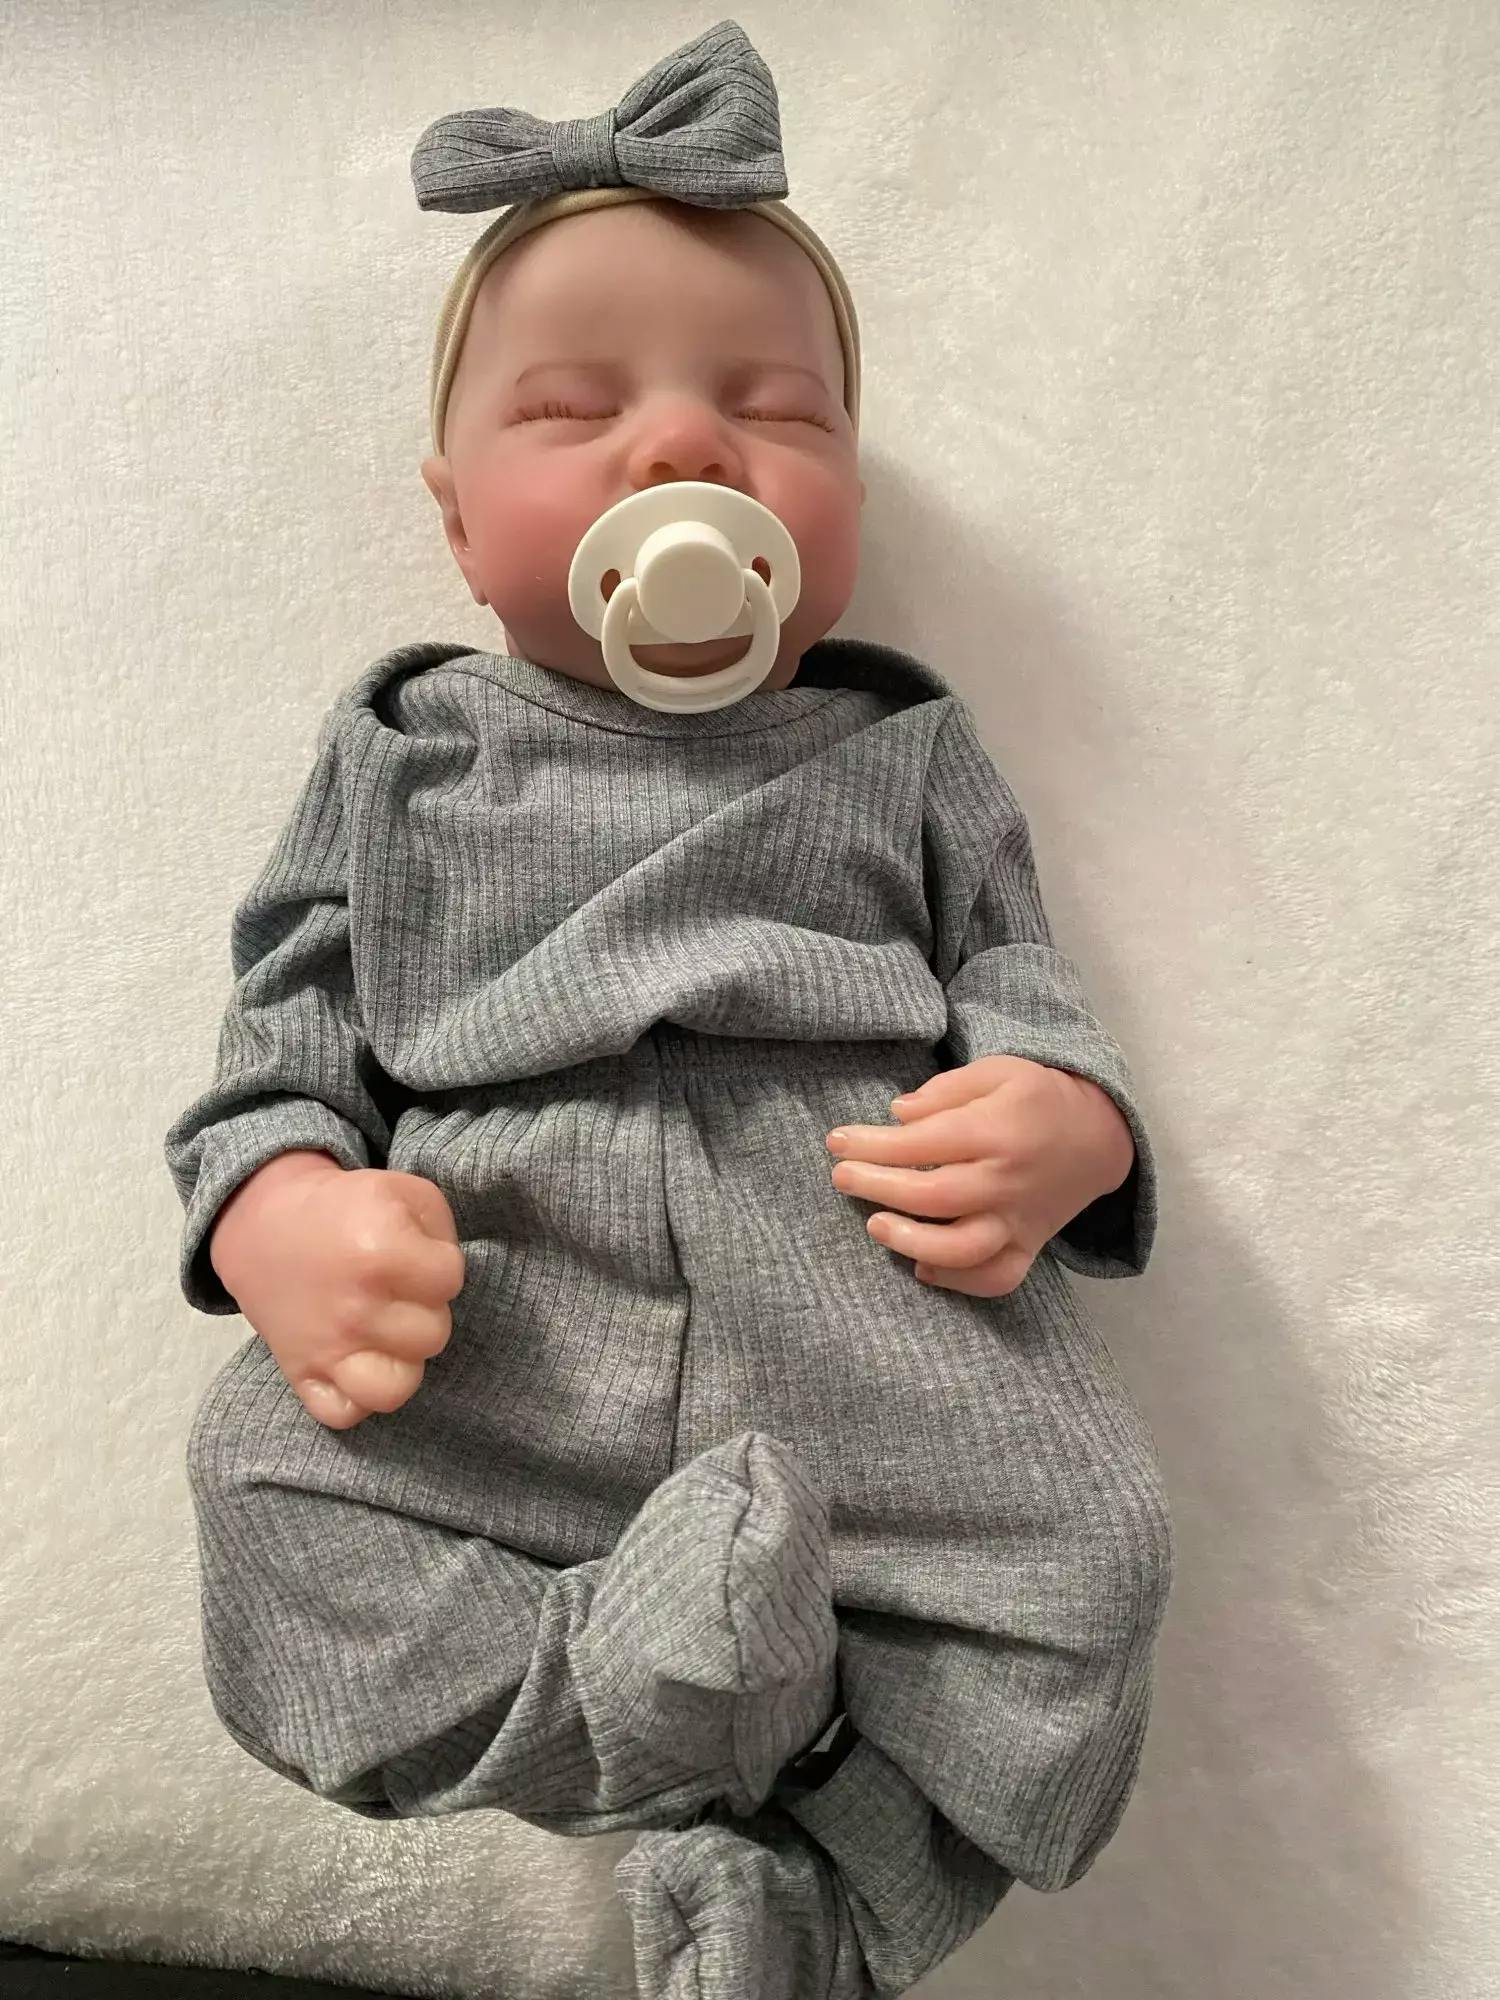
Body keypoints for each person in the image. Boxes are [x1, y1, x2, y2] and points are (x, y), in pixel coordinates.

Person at [164, 20, 1175, 1997]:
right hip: (504, 1303)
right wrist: (278, 1209)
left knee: (1097, 1556)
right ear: (458, 521)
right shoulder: (404, 752)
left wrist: (1067, 1116)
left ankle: (802, 1874)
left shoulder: (902, 747)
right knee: (261, 1496)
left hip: (867, 1279)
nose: (685, 450)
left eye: (775, 410)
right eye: (575, 407)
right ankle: (676, 1717)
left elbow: (1021, 972)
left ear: (844, 493)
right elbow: (279, 1033)